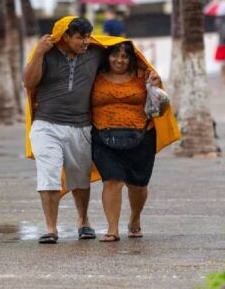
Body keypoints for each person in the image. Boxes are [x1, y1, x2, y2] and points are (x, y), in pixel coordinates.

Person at [23, 17, 102, 244]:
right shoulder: (45, 54)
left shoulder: (96, 53)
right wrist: (38, 52)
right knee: (48, 174)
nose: (85, 41)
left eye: (88, 36)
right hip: (46, 125)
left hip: (81, 126)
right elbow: (29, 82)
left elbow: (122, 58)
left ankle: (83, 220)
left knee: (80, 177)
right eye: (80, 37)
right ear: (65, 37)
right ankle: (51, 228)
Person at [90, 41, 162, 242]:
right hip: (102, 135)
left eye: (124, 56)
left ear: (131, 58)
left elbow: (157, 107)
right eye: (115, 55)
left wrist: (154, 88)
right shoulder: (94, 77)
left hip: (142, 136)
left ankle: (135, 218)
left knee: (137, 185)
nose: (119, 60)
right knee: (112, 180)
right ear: (107, 56)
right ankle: (112, 230)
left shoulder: (144, 77)